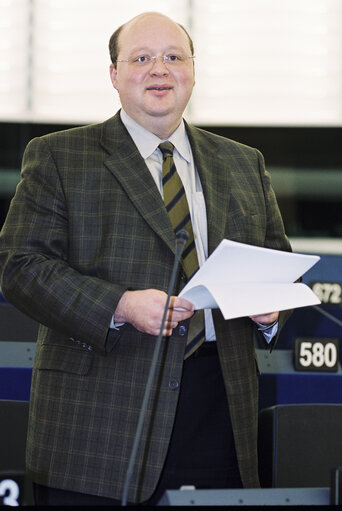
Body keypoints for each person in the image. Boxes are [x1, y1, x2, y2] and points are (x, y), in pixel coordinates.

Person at [0, 11, 292, 506]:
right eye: (142, 58)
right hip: (100, 423)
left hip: (219, 412)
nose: (160, 69)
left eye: (174, 57)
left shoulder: (245, 162)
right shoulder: (59, 156)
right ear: (114, 74)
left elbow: (275, 260)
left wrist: (271, 308)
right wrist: (119, 305)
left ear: (193, 71)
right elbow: (21, 266)